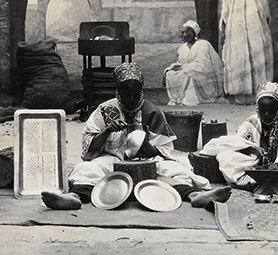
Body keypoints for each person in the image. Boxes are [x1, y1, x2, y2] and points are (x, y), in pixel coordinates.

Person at [42, 62, 232, 210]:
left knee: (176, 169)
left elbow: (165, 152)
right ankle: (74, 198)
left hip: (148, 164)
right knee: (87, 169)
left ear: (141, 91)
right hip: (111, 162)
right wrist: (108, 130)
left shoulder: (151, 111)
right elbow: (89, 149)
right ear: (118, 93)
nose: (132, 100)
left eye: (135, 95)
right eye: (126, 96)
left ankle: (195, 197)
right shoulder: (105, 110)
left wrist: (145, 144)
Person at [219, 0, 273, 102]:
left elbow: (266, 14)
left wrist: (264, 34)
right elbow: (224, 16)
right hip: (236, 33)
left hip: (256, 31)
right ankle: (239, 96)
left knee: (257, 59)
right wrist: (223, 33)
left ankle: (258, 95)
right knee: (238, 60)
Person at [163, 20, 224, 105]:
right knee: (170, 74)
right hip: (188, 70)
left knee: (188, 74)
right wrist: (171, 68)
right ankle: (177, 99)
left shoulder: (203, 45)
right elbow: (180, 62)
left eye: (185, 33)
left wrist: (184, 68)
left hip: (204, 76)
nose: (182, 35)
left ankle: (189, 99)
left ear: (193, 33)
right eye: (182, 32)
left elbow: (203, 65)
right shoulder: (182, 48)